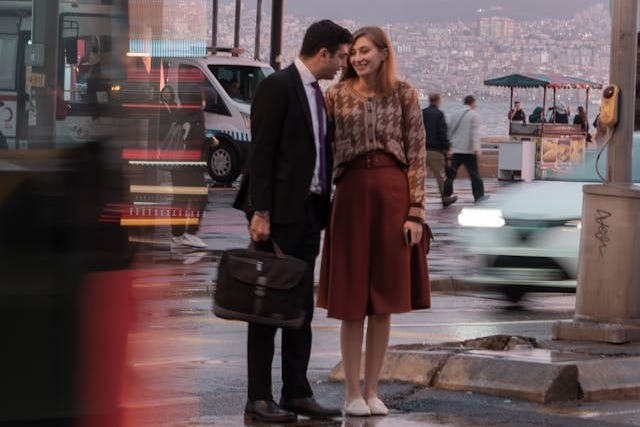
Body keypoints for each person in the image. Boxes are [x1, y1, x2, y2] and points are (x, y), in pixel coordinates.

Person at [233, 20, 352, 423]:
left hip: (309, 215)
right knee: (266, 307)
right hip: (278, 217)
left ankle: (296, 391)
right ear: (323, 53)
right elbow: (261, 153)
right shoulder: (278, 86)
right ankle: (259, 397)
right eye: (341, 56)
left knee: (299, 308)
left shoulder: (318, 94)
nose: (342, 65)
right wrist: (260, 211)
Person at [317, 26, 427, 417]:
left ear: (383, 53)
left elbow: (416, 153)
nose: (357, 58)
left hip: (393, 197)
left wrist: (416, 211)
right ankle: (351, 392)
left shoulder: (405, 94)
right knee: (350, 301)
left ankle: (373, 389)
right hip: (350, 196)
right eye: (353, 53)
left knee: (383, 302)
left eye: (365, 51)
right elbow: (318, 147)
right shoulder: (334, 95)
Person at [160, 84, 209, 250]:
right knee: (200, 197)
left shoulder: (177, 113)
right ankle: (190, 232)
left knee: (179, 199)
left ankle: (177, 235)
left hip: (177, 164)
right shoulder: (197, 115)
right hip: (191, 165)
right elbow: (198, 140)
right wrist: (211, 142)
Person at [443, 95, 487, 203]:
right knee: (474, 175)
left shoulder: (455, 114)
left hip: (456, 150)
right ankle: (479, 197)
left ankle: (446, 194)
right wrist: (476, 148)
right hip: (468, 151)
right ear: (472, 103)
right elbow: (474, 133)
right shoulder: (474, 115)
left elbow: (449, 131)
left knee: (451, 175)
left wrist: (449, 147)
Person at [422, 93, 457, 207]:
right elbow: (443, 133)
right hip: (435, 150)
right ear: (438, 100)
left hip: (422, 149)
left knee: (417, 176)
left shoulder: (423, 113)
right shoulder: (439, 114)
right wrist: (447, 148)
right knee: (441, 176)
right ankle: (446, 198)